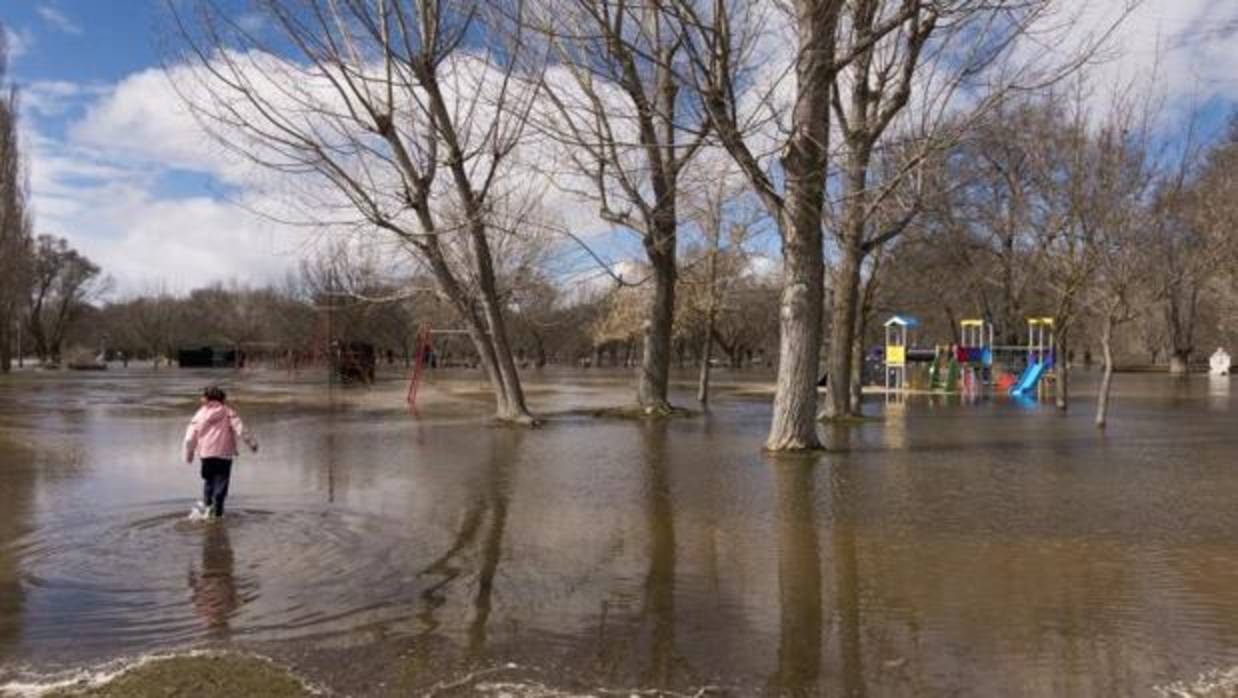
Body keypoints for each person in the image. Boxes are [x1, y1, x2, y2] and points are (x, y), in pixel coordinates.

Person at [184, 385, 258, 518]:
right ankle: (217, 511)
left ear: (206, 398)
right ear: (222, 398)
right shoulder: (228, 412)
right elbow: (241, 429)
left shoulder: (200, 414)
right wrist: (252, 444)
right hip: (224, 455)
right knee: (221, 482)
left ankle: (207, 507)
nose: (201, 399)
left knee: (208, 481)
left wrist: (189, 455)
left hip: (206, 455)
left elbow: (190, 436)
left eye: (202, 396)